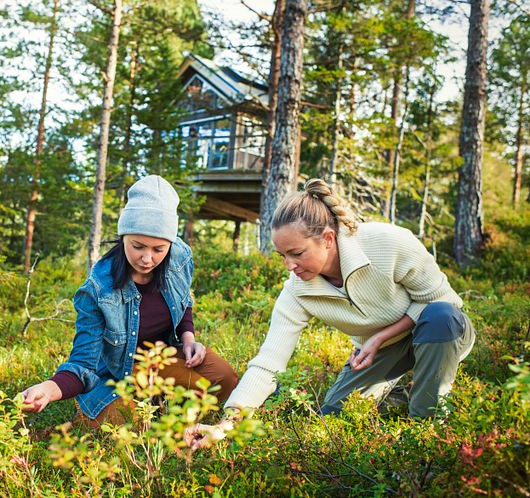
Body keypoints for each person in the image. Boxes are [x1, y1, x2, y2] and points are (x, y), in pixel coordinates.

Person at [185, 178, 475, 448]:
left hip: (440, 334)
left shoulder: (388, 241)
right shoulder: (298, 291)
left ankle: (425, 436)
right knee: (335, 418)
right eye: (282, 256)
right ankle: (403, 392)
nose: (289, 265)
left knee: (440, 317)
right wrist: (226, 424)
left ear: (327, 238)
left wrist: (378, 338)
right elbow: (268, 362)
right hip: (383, 353)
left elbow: (442, 300)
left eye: (296, 253)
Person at [20, 175, 238, 427]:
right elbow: (83, 363)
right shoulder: (98, 288)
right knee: (129, 427)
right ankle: (95, 414)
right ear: (124, 236)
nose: (147, 258)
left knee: (225, 379)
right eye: (138, 246)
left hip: (161, 361)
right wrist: (50, 388)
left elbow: (183, 301)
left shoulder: (179, 257)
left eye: (158, 249)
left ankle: (162, 404)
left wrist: (188, 339)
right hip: (117, 373)